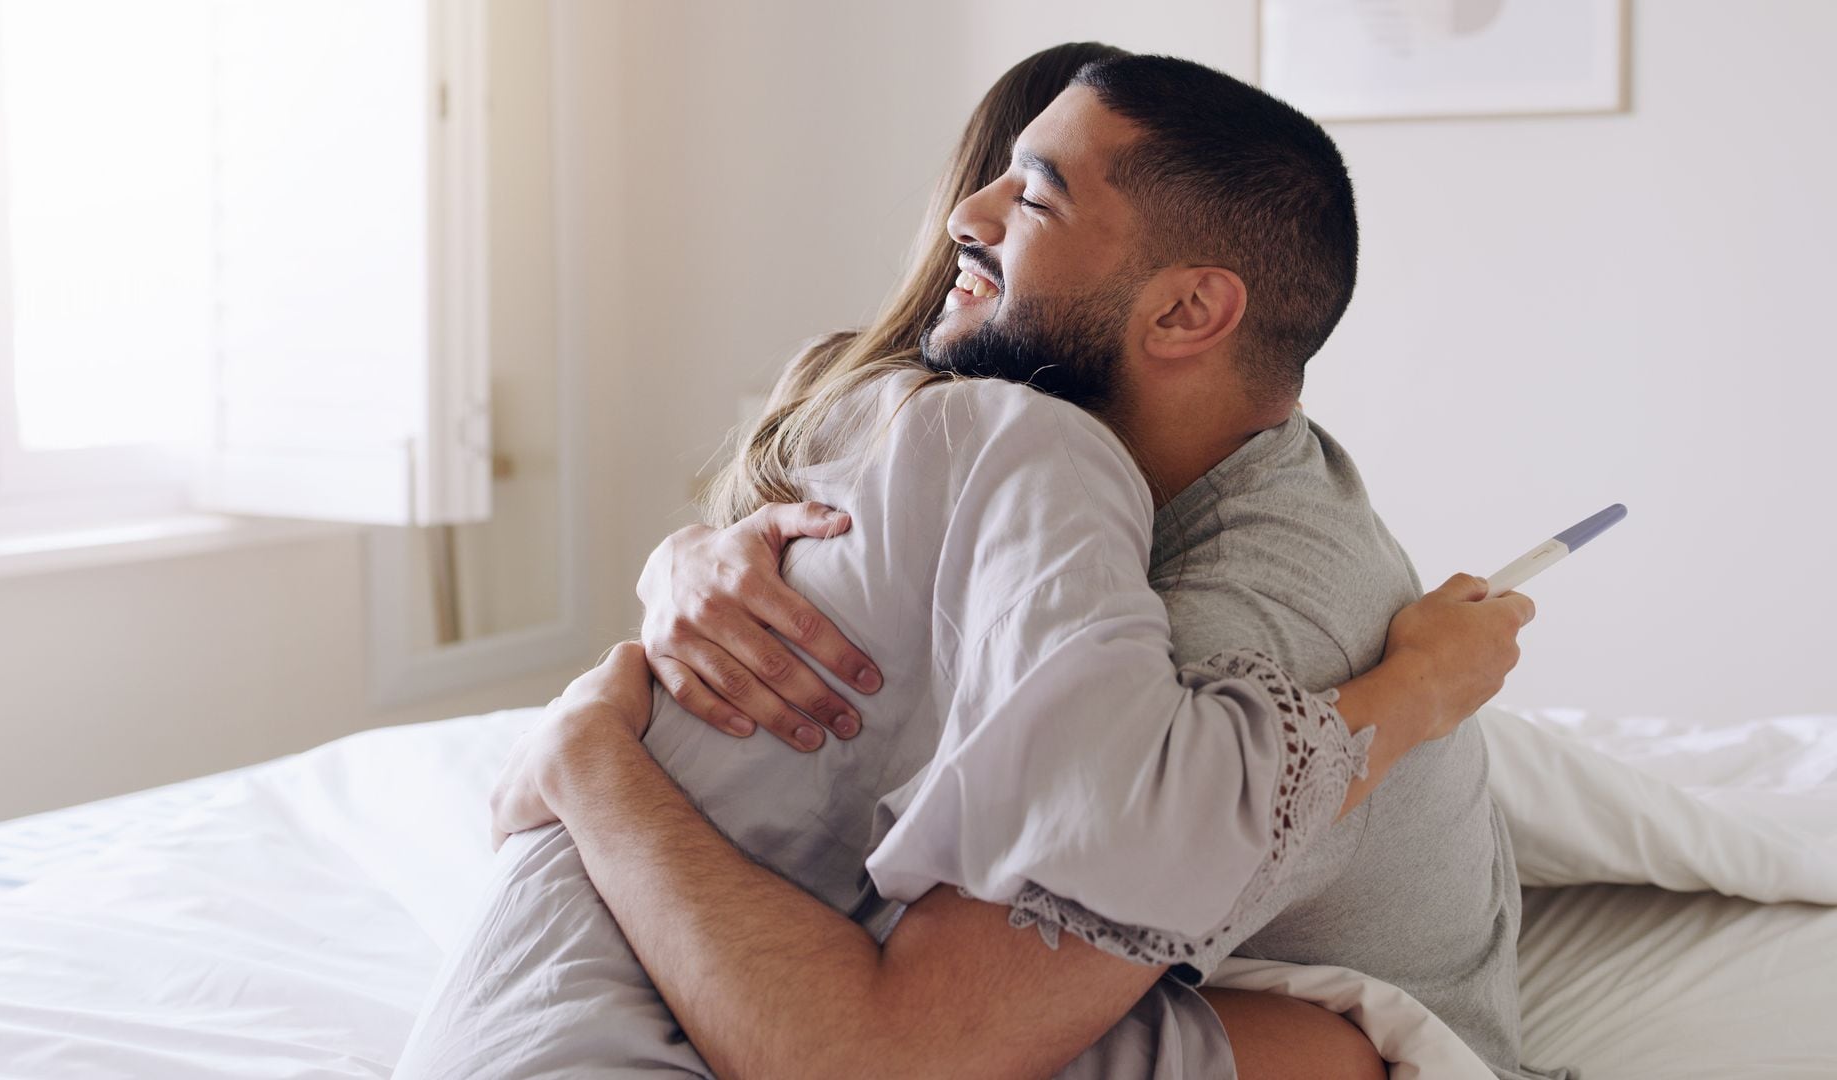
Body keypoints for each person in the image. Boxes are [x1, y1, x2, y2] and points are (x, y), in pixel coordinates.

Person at [394, 51, 1537, 1080]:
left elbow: (880, 1058)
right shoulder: (1027, 472)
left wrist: (592, 760)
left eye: (1034, 193)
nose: (963, 218)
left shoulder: (1228, 624)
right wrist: (689, 565)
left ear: (1188, 309)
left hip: (1323, 1035)